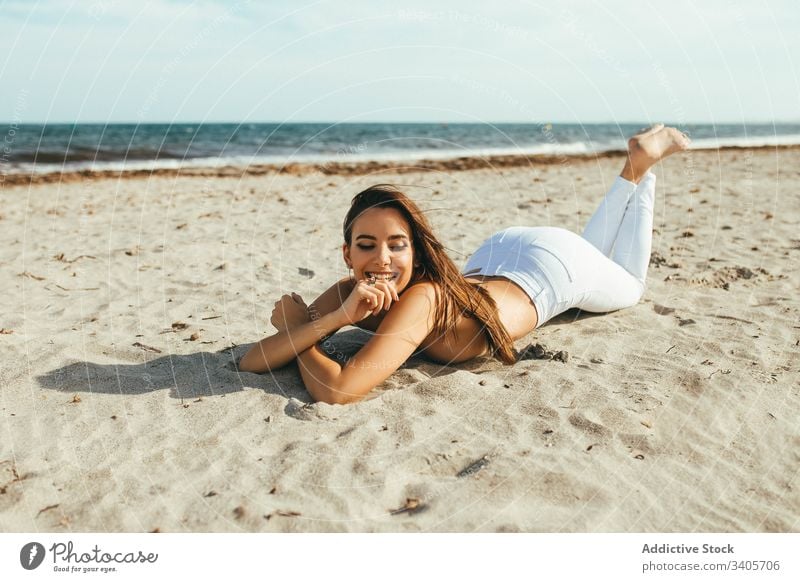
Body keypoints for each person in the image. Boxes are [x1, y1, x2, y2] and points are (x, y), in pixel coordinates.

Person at [238, 124, 690, 404]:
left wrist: (302, 330)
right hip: (499, 252)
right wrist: (326, 319)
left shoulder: (423, 299)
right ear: (347, 253)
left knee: (630, 284)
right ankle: (634, 166)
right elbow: (251, 362)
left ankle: (642, 168)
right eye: (367, 245)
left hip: (549, 271)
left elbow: (337, 390)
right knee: (593, 256)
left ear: (415, 251)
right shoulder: (346, 293)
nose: (382, 259)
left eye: (398, 245)